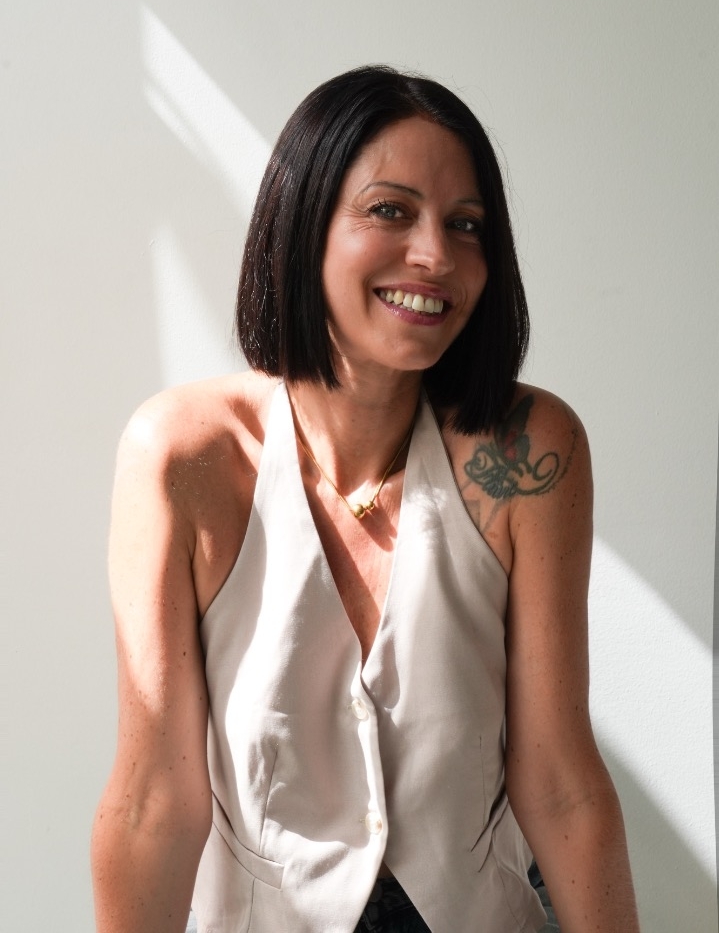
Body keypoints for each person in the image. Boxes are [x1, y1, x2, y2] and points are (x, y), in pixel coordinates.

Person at [91, 66, 639, 933]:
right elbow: (154, 800)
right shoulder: (185, 456)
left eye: (466, 225)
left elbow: (560, 782)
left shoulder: (527, 450)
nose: (436, 256)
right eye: (390, 210)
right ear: (301, 224)